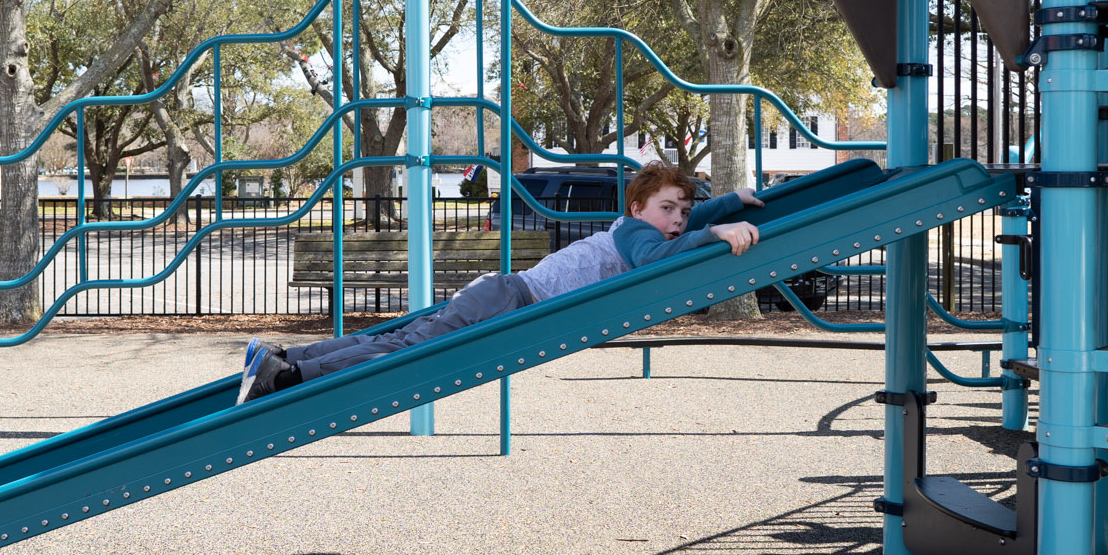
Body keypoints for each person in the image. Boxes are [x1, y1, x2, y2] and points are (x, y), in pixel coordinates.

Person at [238, 162, 767, 403]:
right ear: (637, 208)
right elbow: (660, 256)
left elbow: (681, 230)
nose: (679, 218)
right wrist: (717, 230)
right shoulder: (635, 234)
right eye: (667, 208)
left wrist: (726, 203)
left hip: (503, 293)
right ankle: (286, 378)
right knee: (404, 354)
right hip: (508, 300)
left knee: (397, 340)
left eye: (685, 210)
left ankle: (290, 357)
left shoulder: (641, 225)